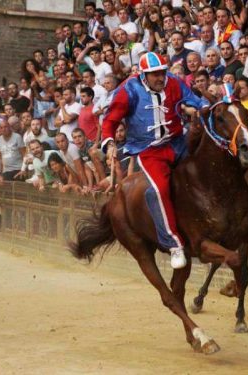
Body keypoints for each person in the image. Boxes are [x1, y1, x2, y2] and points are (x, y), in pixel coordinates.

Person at [101, 52, 209, 269]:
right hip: (149, 150)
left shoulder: (174, 83)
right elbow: (110, 120)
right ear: (144, 75)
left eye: (162, 72)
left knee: (205, 169)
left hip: (178, 143)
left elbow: (195, 100)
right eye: (155, 74)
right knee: (159, 189)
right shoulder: (128, 90)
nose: (160, 77)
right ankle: (174, 245)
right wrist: (110, 144)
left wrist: (203, 105)